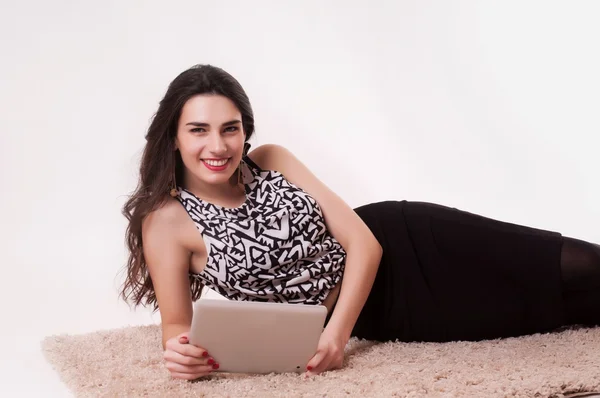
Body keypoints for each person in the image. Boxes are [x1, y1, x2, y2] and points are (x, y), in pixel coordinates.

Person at [120, 64, 600, 381]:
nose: (218, 146)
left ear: (245, 130)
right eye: (199, 130)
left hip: (406, 237)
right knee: (560, 310)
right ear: (174, 137)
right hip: (386, 311)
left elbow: (365, 244)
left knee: (575, 264)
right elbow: (177, 325)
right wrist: (181, 355)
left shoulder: (270, 159)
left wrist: (335, 336)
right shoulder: (166, 221)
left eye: (230, 128)